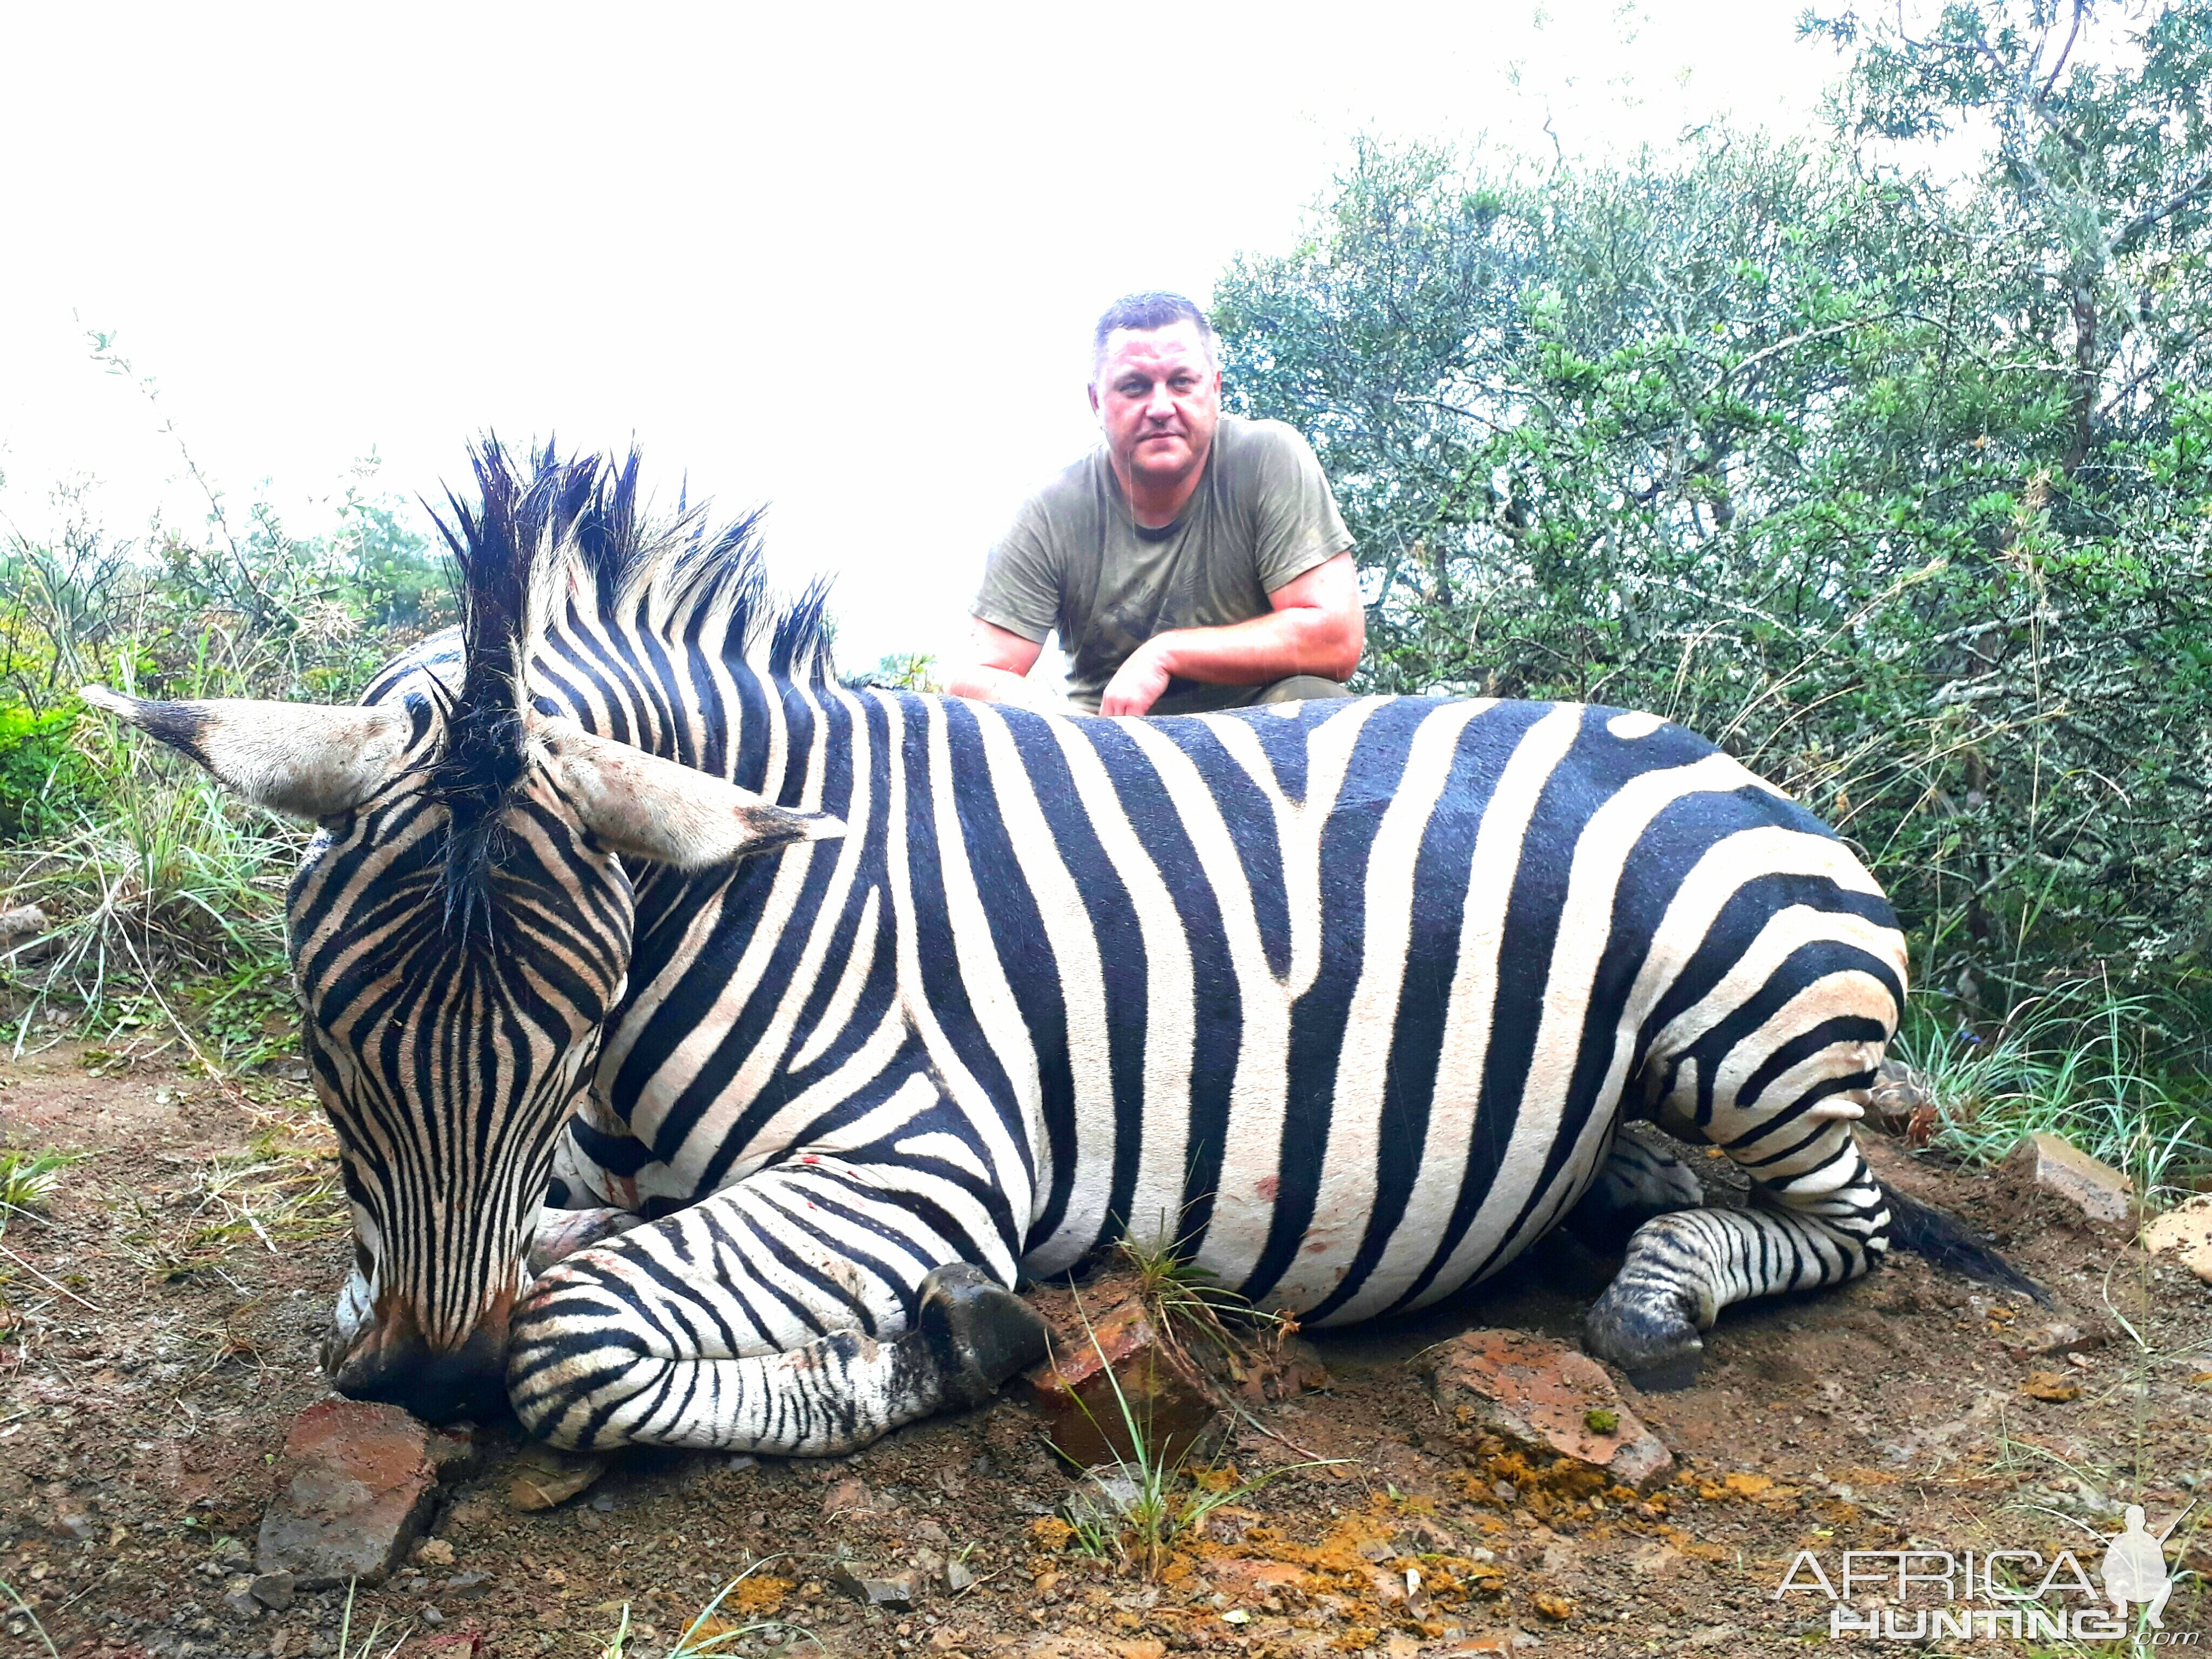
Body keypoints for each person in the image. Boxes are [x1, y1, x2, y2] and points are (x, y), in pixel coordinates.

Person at [947, 291, 1363, 716]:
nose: (1161, 408)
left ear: (1215, 388)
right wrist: (1061, 722)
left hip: (1258, 731)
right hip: (1108, 739)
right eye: (1135, 387)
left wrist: (1167, 654)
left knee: (1320, 700)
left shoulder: (1270, 458)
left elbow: (1336, 640)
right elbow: (972, 674)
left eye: (1181, 382)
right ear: (1096, 401)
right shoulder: (1048, 510)